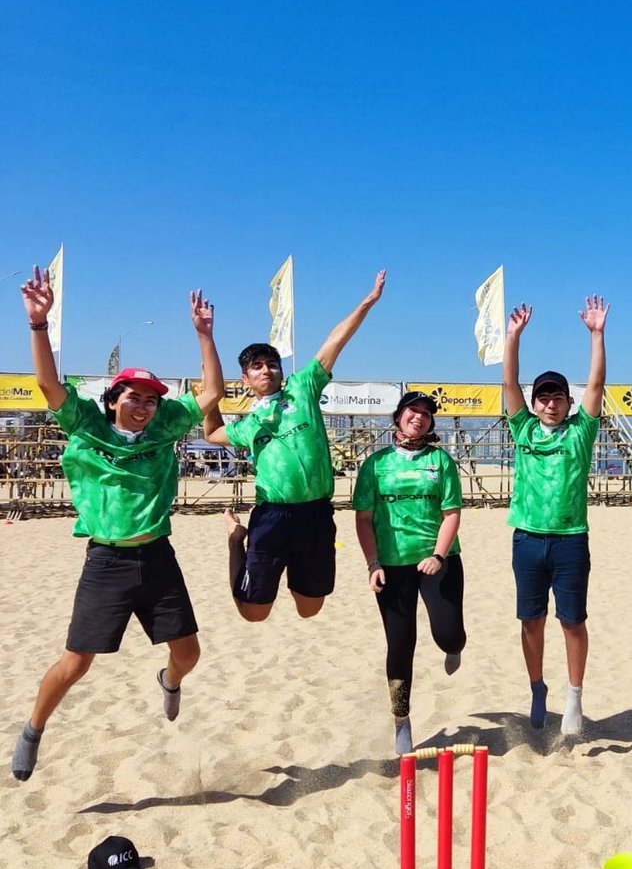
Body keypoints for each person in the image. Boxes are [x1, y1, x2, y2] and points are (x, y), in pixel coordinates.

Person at [12, 266, 225, 781]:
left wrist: (204, 335)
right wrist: (38, 325)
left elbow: (213, 391)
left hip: (157, 556)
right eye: (133, 396)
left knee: (189, 653)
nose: (144, 405)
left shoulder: (166, 426)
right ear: (113, 400)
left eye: (151, 399)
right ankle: (33, 729)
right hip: (106, 559)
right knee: (77, 662)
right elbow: (46, 383)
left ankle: (168, 682)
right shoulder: (85, 425)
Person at [204, 271, 385, 622]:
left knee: (309, 609)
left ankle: (287, 573)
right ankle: (235, 540)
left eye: (271, 364)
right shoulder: (248, 425)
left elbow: (335, 341)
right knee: (253, 613)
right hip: (271, 515)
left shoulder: (302, 389)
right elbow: (213, 434)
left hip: (316, 513)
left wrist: (367, 301)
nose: (266, 370)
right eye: (256, 367)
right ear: (246, 379)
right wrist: (211, 397)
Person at [501, 296, 607, 736]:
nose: (549, 404)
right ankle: (537, 687)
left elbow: (597, 386)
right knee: (531, 620)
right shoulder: (522, 427)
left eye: (557, 397)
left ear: (567, 402)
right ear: (534, 402)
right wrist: (513, 337)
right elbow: (508, 383)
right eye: (542, 397)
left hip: (569, 539)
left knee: (573, 620)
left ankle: (575, 696)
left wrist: (597, 335)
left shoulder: (581, 432)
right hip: (527, 538)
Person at [353, 391, 465, 755]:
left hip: (437, 559)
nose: (419, 417)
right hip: (391, 564)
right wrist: (373, 564)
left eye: (426, 414)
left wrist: (438, 554)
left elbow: (451, 514)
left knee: (449, 636)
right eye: (412, 411)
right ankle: (401, 720)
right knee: (401, 643)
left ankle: (453, 647)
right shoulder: (375, 464)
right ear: (398, 417)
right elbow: (364, 518)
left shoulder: (440, 461)